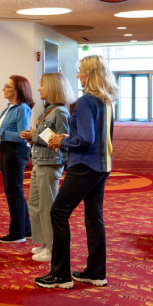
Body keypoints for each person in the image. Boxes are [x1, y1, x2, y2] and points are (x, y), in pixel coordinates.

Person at [35, 55, 118, 289]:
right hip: (103, 166)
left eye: (80, 71)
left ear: (90, 74)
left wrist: (63, 140)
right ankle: (96, 272)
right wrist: (68, 138)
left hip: (84, 166)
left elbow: (85, 139)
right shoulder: (106, 100)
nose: (78, 75)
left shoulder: (85, 101)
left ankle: (60, 275)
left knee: (58, 213)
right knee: (94, 217)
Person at [20, 73, 74, 262]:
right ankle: (44, 243)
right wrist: (34, 135)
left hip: (50, 162)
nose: (39, 89)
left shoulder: (60, 112)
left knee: (47, 206)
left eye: (42, 85)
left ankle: (53, 249)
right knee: (36, 205)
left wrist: (34, 136)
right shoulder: (49, 110)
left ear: (51, 87)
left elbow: (59, 139)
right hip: (39, 161)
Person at [0, 75, 34, 243]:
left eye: (7, 86)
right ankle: (26, 229)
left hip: (15, 151)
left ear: (18, 90)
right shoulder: (8, 108)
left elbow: (22, 136)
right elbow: (4, 131)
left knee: (14, 192)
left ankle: (17, 233)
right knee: (13, 191)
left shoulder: (22, 108)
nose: (3, 89)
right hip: (7, 150)